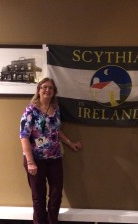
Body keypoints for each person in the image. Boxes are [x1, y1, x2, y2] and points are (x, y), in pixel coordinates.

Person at [20, 77, 82, 224]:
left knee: (56, 195)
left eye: (51, 88)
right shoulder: (30, 111)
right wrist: (30, 162)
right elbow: (24, 137)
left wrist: (70, 143)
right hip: (35, 160)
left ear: (54, 92)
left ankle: (53, 221)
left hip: (54, 158)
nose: (47, 90)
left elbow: (56, 131)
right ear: (39, 90)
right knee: (39, 197)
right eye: (44, 87)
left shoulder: (56, 109)